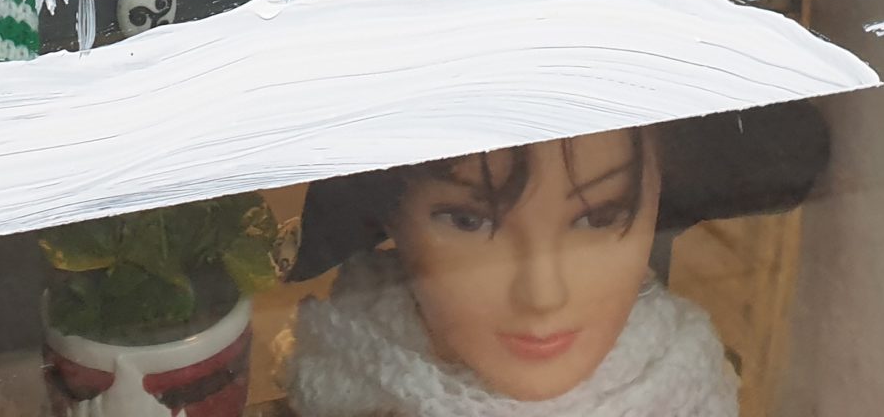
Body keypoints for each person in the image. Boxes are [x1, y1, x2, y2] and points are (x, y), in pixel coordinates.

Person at [288, 127, 748, 416]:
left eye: (600, 217)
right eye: (469, 221)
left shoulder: (691, 390)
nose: (543, 295)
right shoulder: (335, 384)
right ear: (390, 214)